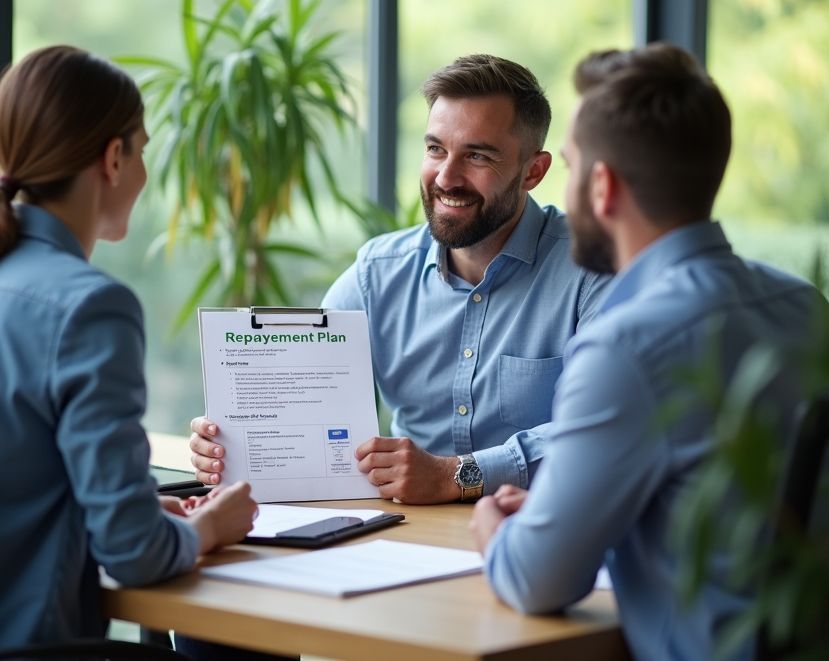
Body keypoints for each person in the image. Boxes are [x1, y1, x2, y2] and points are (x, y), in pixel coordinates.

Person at [0, 45, 257, 658]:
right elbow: (135, 556)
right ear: (113, 158)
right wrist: (212, 525)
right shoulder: (89, 307)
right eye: (142, 148)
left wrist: (134, 505)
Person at [471, 43, 827, 661]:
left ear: (602, 186)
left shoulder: (624, 347)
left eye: (574, 165)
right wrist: (569, 508)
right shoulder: (805, 306)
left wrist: (495, 529)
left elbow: (538, 581)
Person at [189, 54, 610, 504]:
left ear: (533, 171)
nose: (446, 177)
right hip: (404, 534)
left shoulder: (592, 269)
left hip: (544, 534)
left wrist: (455, 476)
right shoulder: (378, 274)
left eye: (477, 155)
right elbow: (296, 397)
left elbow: (608, 426)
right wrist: (230, 442)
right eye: (435, 149)